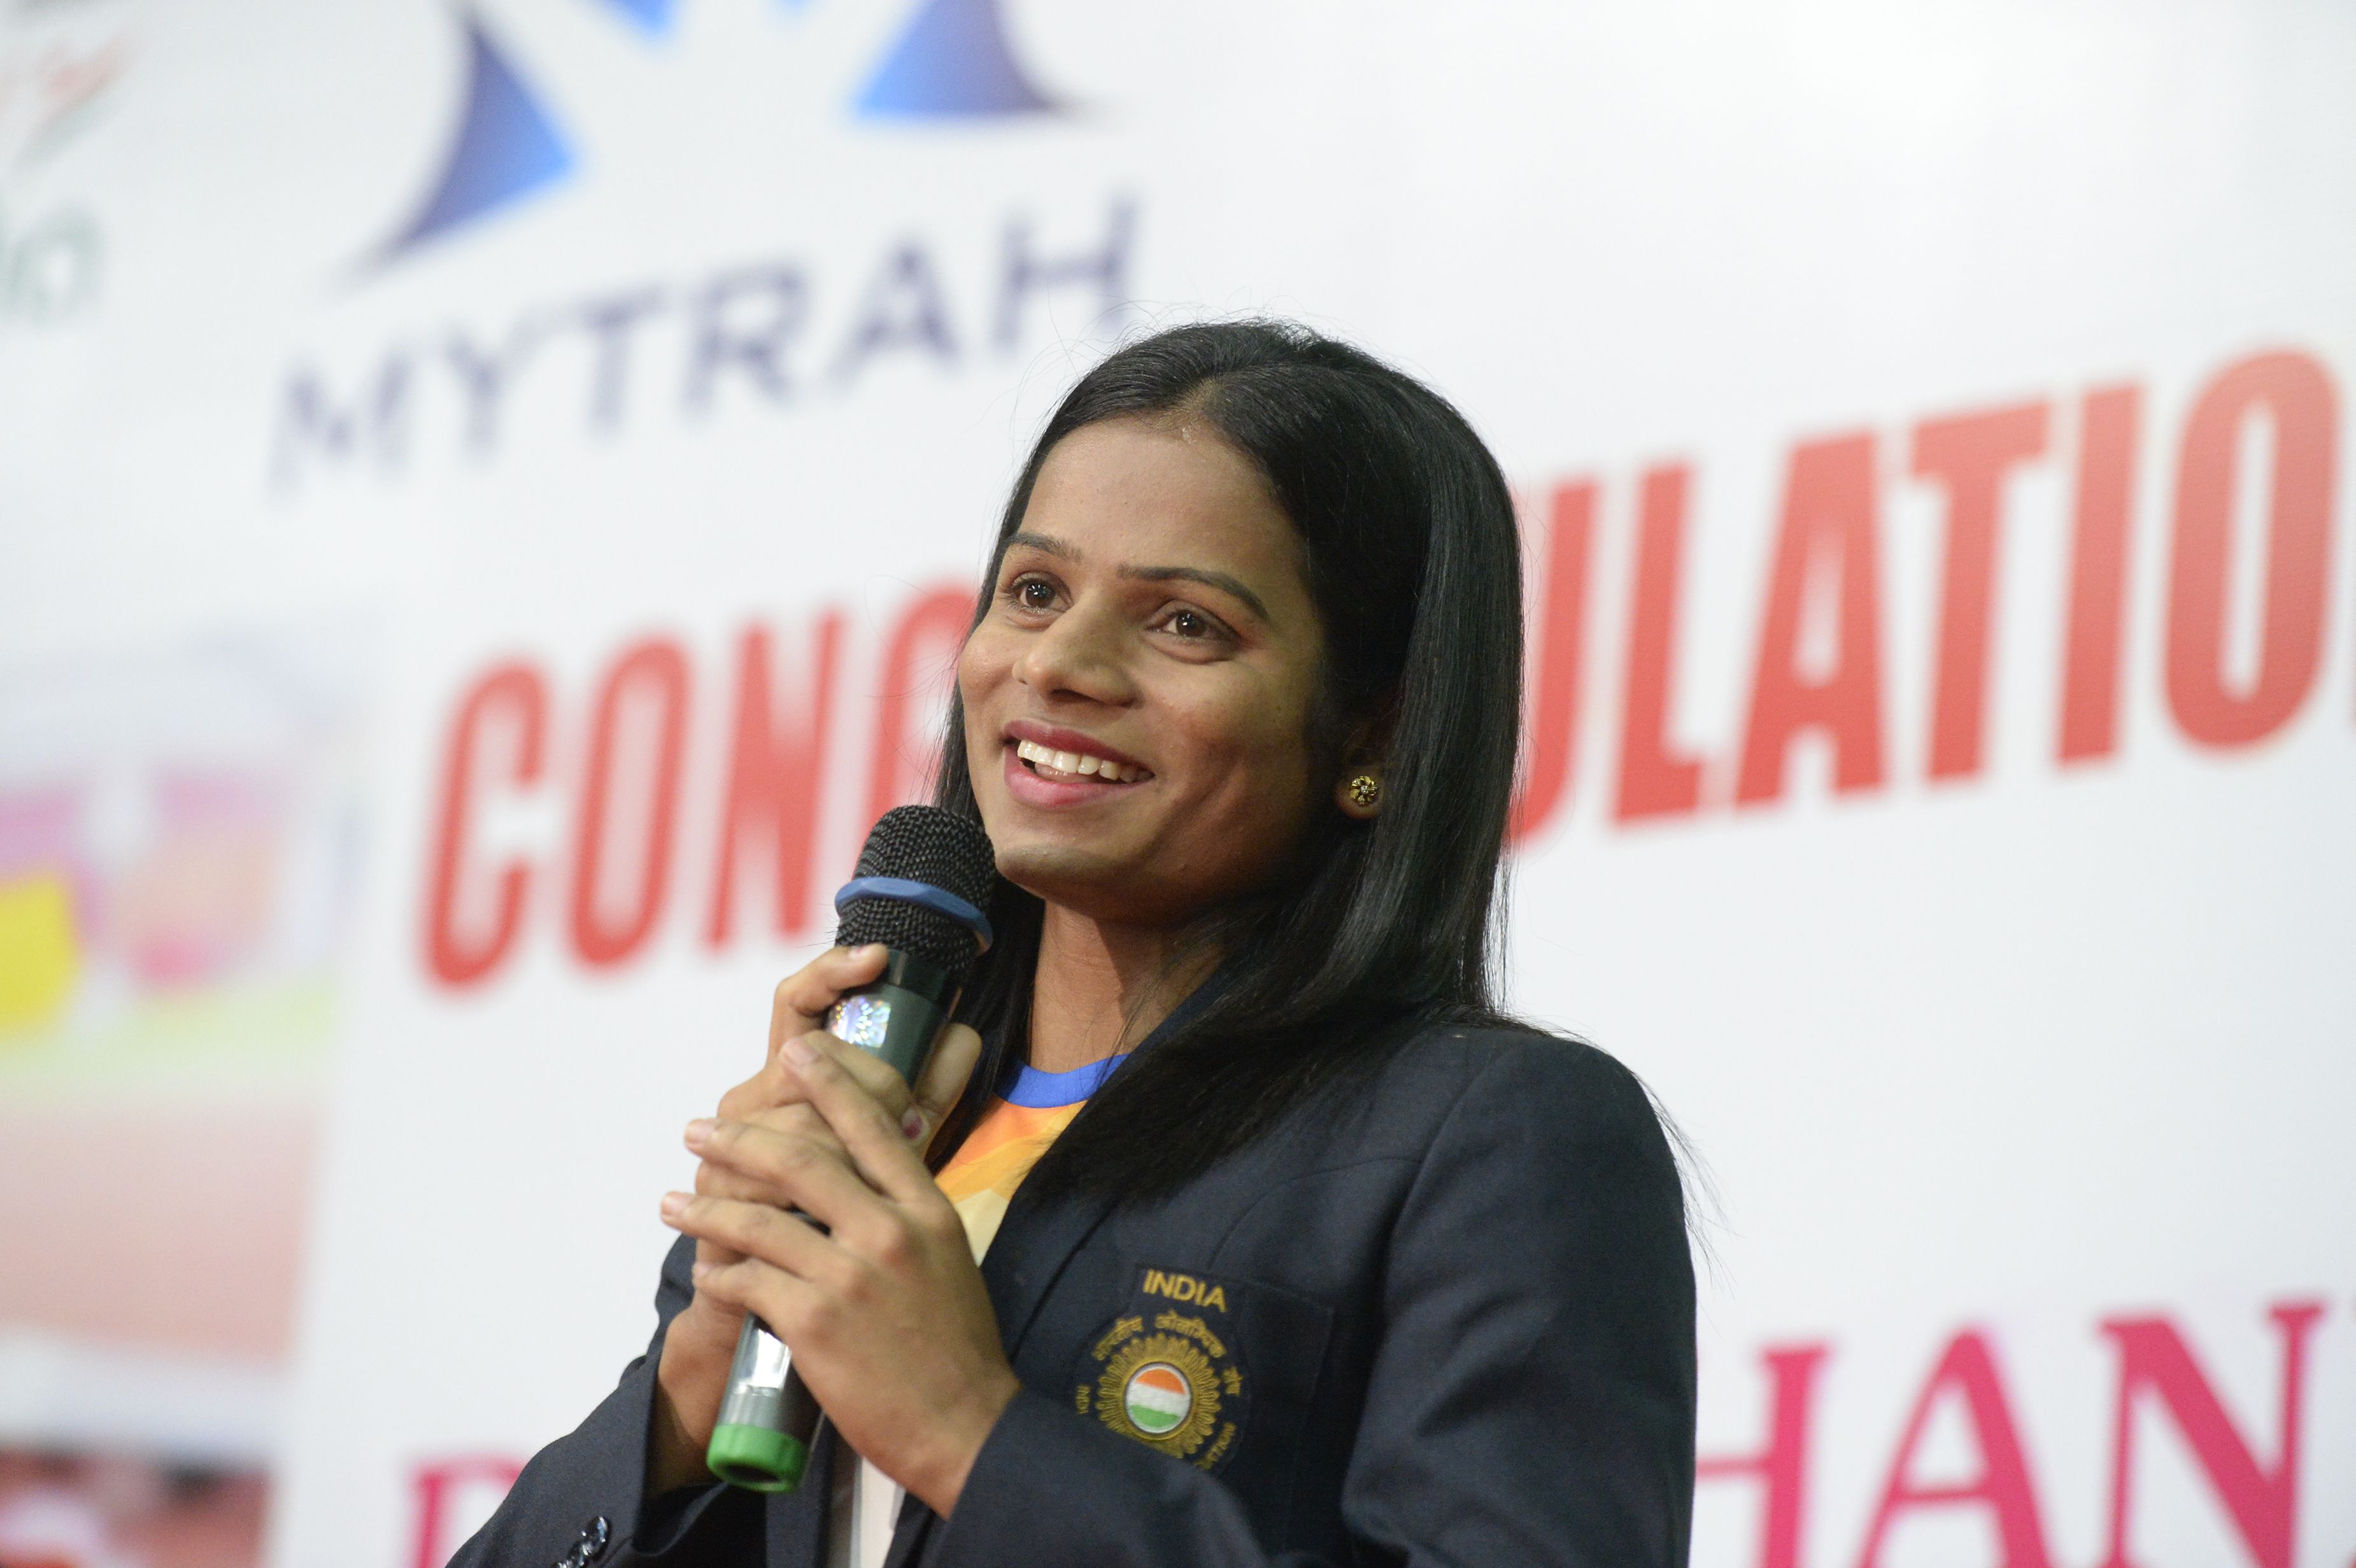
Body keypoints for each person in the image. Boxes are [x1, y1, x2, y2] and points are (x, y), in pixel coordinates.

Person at [452, 320, 1696, 1568]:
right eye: (1034, 591)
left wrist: (969, 1436)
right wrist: (686, 1388)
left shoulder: (1492, 1137)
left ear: (1374, 729)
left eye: (1184, 624)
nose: (1058, 663)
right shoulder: (862, 1132)